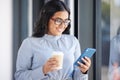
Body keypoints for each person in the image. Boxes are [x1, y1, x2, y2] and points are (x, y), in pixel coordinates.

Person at [14, 0, 91, 80]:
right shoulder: (29, 43)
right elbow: (19, 76)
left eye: (66, 21)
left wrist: (83, 71)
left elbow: (77, 77)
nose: (63, 25)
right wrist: (43, 70)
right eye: (58, 21)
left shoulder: (73, 41)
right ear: (46, 19)